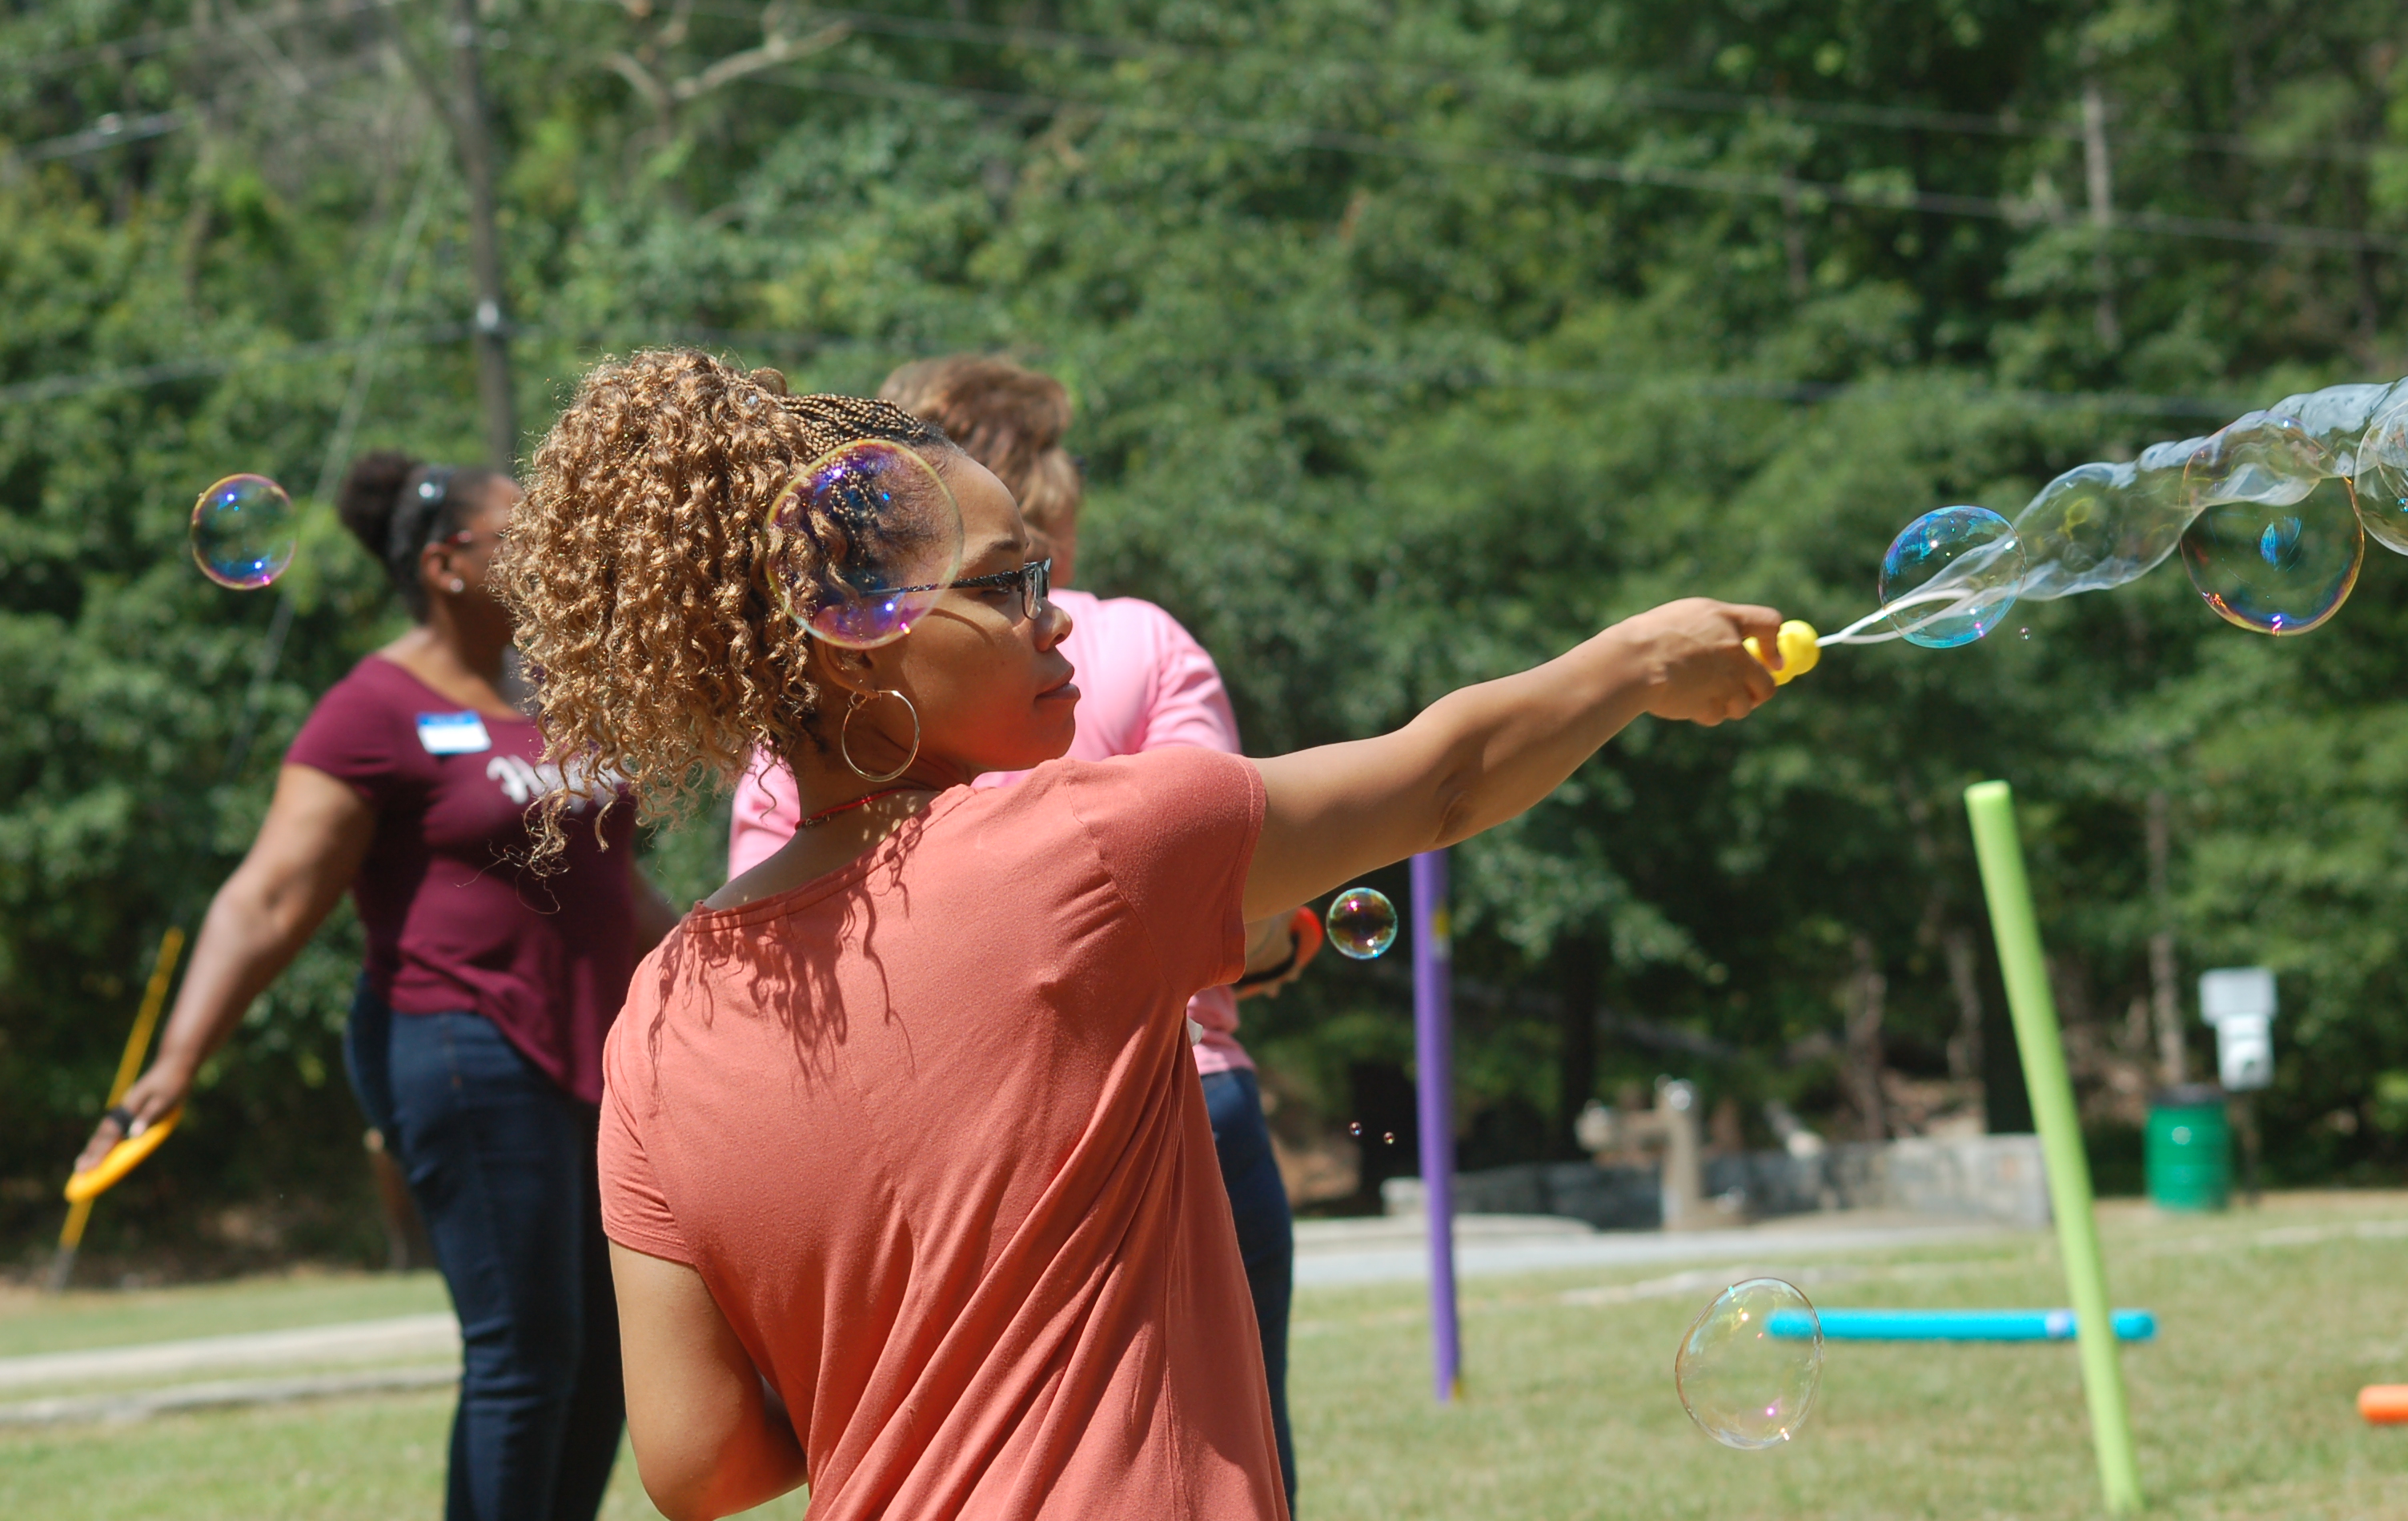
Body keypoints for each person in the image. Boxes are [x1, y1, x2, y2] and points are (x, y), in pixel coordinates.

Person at [495, 349, 1783, 1521]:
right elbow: (1443, 780)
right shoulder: (1085, 852)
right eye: (1006, 587)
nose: (1057, 618)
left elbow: (694, 1463)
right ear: (851, 649)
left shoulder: (661, 1014)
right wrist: (1636, 661)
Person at [725, 354, 1315, 1505]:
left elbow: (776, 944)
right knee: (1227, 1459)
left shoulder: (809, 685)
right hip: (1182, 1099)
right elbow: (1223, 864)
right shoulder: (1138, 638)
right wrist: (1276, 939)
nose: (1050, 622)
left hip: (920, 1141)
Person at [78, 451, 679, 1521]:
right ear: (450, 565)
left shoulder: (560, 694)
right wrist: (171, 1068)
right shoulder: (372, 708)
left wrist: (721, 978)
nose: (556, 553)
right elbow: (267, 899)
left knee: (605, 1357)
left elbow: (615, 886)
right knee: (527, 1352)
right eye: (525, 536)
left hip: (597, 1059)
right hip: (463, 1044)